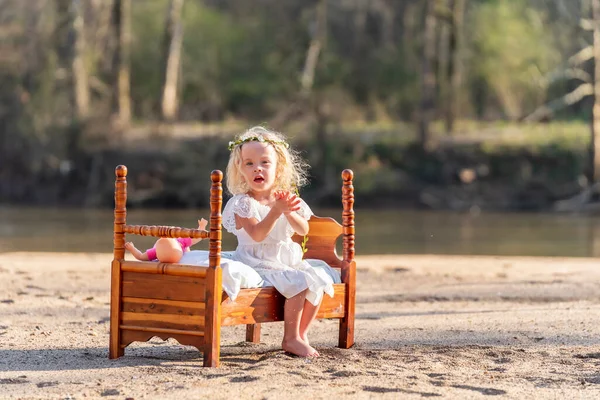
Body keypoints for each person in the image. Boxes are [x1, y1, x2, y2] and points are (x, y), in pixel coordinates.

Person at [222, 126, 334, 358]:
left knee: (319, 279)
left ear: (278, 167)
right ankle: (290, 338)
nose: (257, 169)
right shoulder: (242, 203)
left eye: (264, 162)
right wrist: (275, 212)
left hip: (285, 260)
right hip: (257, 261)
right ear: (240, 169)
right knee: (300, 282)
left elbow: (303, 230)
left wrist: (288, 212)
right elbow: (257, 235)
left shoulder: (286, 198)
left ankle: (301, 335)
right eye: (249, 163)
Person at [125, 218, 208, 263]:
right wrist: (202, 227)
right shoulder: (181, 242)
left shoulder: (155, 252)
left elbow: (140, 256)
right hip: (179, 248)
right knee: (187, 250)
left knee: (187, 250)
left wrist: (132, 249)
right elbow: (198, 237)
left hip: (174, 247)